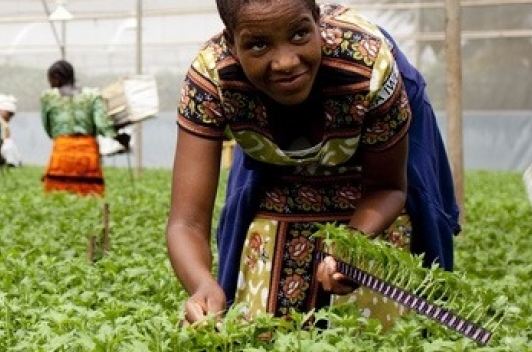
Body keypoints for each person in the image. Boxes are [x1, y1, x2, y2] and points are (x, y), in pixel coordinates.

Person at [168, 0, 461, 328]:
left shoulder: (367, 65)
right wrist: (202, 285)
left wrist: (353, 244)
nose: (285, 63)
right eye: (258, 44)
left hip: (381, 134)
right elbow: (187, 222)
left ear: (318, 22)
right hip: (271, 145)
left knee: (380, 322)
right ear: (231, 42)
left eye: (299, 35)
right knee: (259, 324)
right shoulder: (212, 80)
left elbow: (388, 187)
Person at [40, 60, 130, 196]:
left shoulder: (48, 97)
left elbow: (47, 126)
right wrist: (118, 137)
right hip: (87, 152)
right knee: (89, 194)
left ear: (56, 77)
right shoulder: (92, 96)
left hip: (62, 150)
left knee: (58, 195)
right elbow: (102, 124)